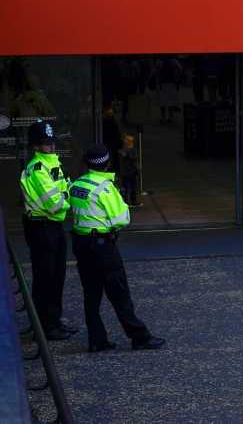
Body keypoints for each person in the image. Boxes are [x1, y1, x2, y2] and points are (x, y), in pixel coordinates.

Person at [67, 145, 165, 352]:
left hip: (81, 244)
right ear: (107, 163)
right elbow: (121, 220)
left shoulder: (76, 184)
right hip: (102, 247)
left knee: (91, 295)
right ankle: (139, 337)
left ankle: (97, 339)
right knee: (120, 294)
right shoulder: (105, 188)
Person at [18, 120, 78, 341]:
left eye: (52, 142)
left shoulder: (53, 164)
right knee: (45, 277)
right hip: (42, 226)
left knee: (57, 275)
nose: (51, 146)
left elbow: (63, 192)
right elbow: (55, 203)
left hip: (52, 225)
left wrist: (64, 196)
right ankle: (46, 326)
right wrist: (66, 197)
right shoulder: (38, 169)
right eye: (46, 143)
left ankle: (54, 320)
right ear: (35, 146)